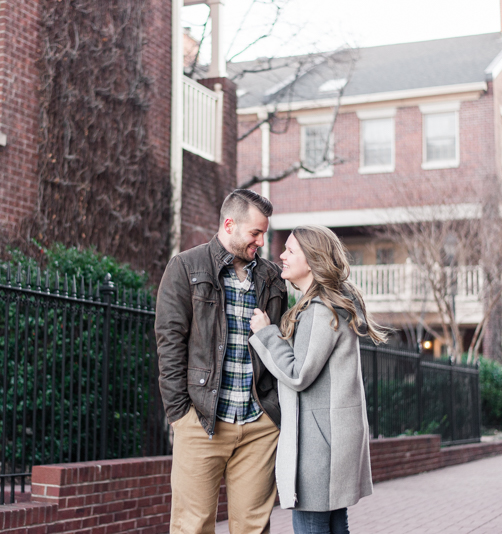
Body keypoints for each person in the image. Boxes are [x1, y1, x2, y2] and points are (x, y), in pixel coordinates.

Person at [155, 189, 288, 534]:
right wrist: (179, 414)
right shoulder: (186, 267)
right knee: (192, 526)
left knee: (253, 528)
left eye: (264, 233)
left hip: (259, 424)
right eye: (255, 233)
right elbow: (169, 344)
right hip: (201, 419)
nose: (261, 241)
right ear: (229, 224)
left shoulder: (272, 278)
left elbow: (280, 342)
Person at [248, 225, 387, 534]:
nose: (281, 256)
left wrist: (265, 334)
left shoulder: (319, 310)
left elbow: (299, 374)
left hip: (319, 446)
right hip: (331, 440)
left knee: (313, 526)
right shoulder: (332, 306)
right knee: (336, 526)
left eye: (290, 251)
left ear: (311, 260)